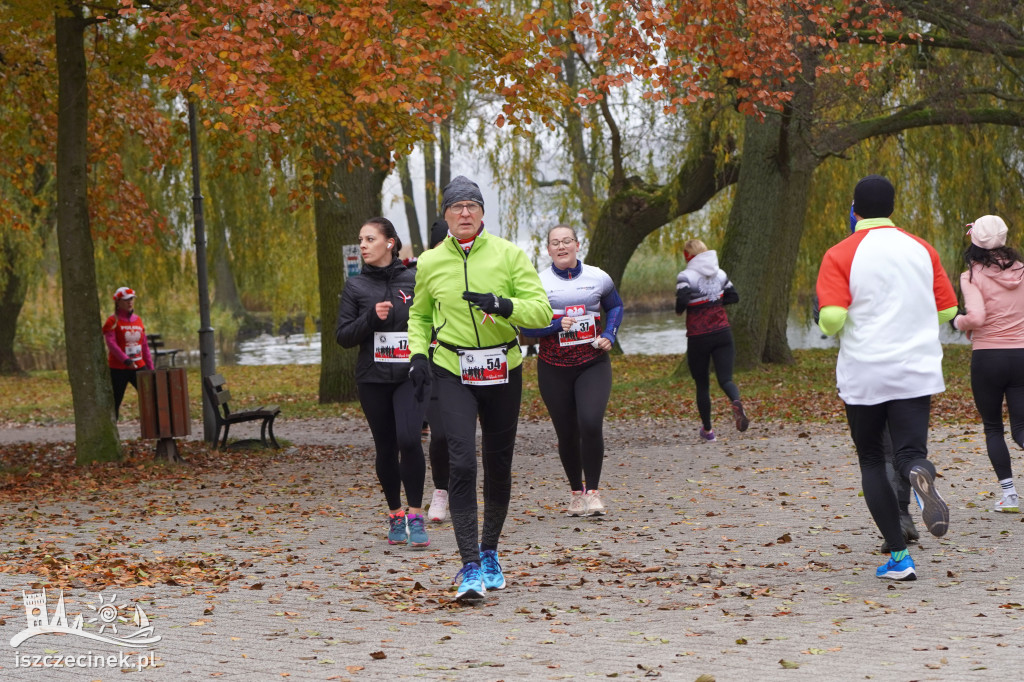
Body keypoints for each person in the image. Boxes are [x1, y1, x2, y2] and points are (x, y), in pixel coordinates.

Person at [408, 176, 552, 601]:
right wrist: (418, 355)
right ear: (447, 216)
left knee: (498, 463)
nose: (465, 213)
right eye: (457, 207)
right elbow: (418, 317)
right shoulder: (431, 262)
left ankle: (490, 552)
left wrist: (504, 305)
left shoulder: (509, 254)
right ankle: (469, 564)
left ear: (482, 213)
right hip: (452, 368)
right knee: (461, 462)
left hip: (502, 367)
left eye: (472, 206)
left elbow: (541, 309)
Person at [816, 174, 958, 581]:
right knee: (909, 453)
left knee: (872, 459)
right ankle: (920, 474)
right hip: (916, 369)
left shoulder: (839, 253)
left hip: (865, 374)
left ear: (854, 209)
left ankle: (899, 558)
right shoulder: (922, 249)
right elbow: (948, 311)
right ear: (893, 207)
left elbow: (831, 319)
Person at [336, 217, 431, 549]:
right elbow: (343, 337)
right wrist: (369, 318)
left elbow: (431, 323)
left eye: (370, 239)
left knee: (409, 439)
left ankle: (416, 515)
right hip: (373, 379)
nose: (363, 245)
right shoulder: (355, 287)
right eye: (360, 239)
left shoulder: (414, 281)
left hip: (408, 376)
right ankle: (395, 515)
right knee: (386, 446)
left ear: (390, 243)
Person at [520, 225, 623, 517]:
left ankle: (593, 492)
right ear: (549, 250)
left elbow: (615, 306)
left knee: (590, 423)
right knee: (566, 433)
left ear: (577, 244)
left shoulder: (598, 277)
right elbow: (526, 327)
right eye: (555, 243)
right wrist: (555, 325)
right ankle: (576, 493)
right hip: (553, 368)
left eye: (567, 241)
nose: (561, 246)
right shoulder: (538, 282)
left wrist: (611, 334)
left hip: (592, 363)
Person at [951, 214, 1023, 513]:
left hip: (988, 358)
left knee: (993, 428)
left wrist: (959, 322)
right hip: (1021, 355)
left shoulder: (971, 275)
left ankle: (1009, 496)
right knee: (1021, 428)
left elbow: (977, 317)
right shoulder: (1022, 271)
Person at [675, 239, 750, 442]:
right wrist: (714, 301)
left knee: (702, 384)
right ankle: (736, 401)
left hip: (698, 336)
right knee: (726, 379)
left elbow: (682, 301)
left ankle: (708, 431)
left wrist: (682, 308)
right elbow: (734, 297)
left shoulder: (686, 276)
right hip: (722, 333)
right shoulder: (721, 273)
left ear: (688, 256)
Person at [424, 219, 452, 524]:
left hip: (466, 367)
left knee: (461, 436)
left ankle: (461, 491)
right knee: (441, 435)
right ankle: (441, 492)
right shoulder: (422, 275)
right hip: (432, 367)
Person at [103, 286, 154, 420]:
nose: (129, 302)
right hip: (118, 368)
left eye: (131, 299)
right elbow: (111, 344)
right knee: (115, 401)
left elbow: (144, 345)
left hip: (138, 366)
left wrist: (150, 368)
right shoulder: (112, 321)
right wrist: (125, 360)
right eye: (126, 300)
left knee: (150, 396)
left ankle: (156, 428)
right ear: (118, 302)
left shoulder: (138, 320)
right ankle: (111, 429)